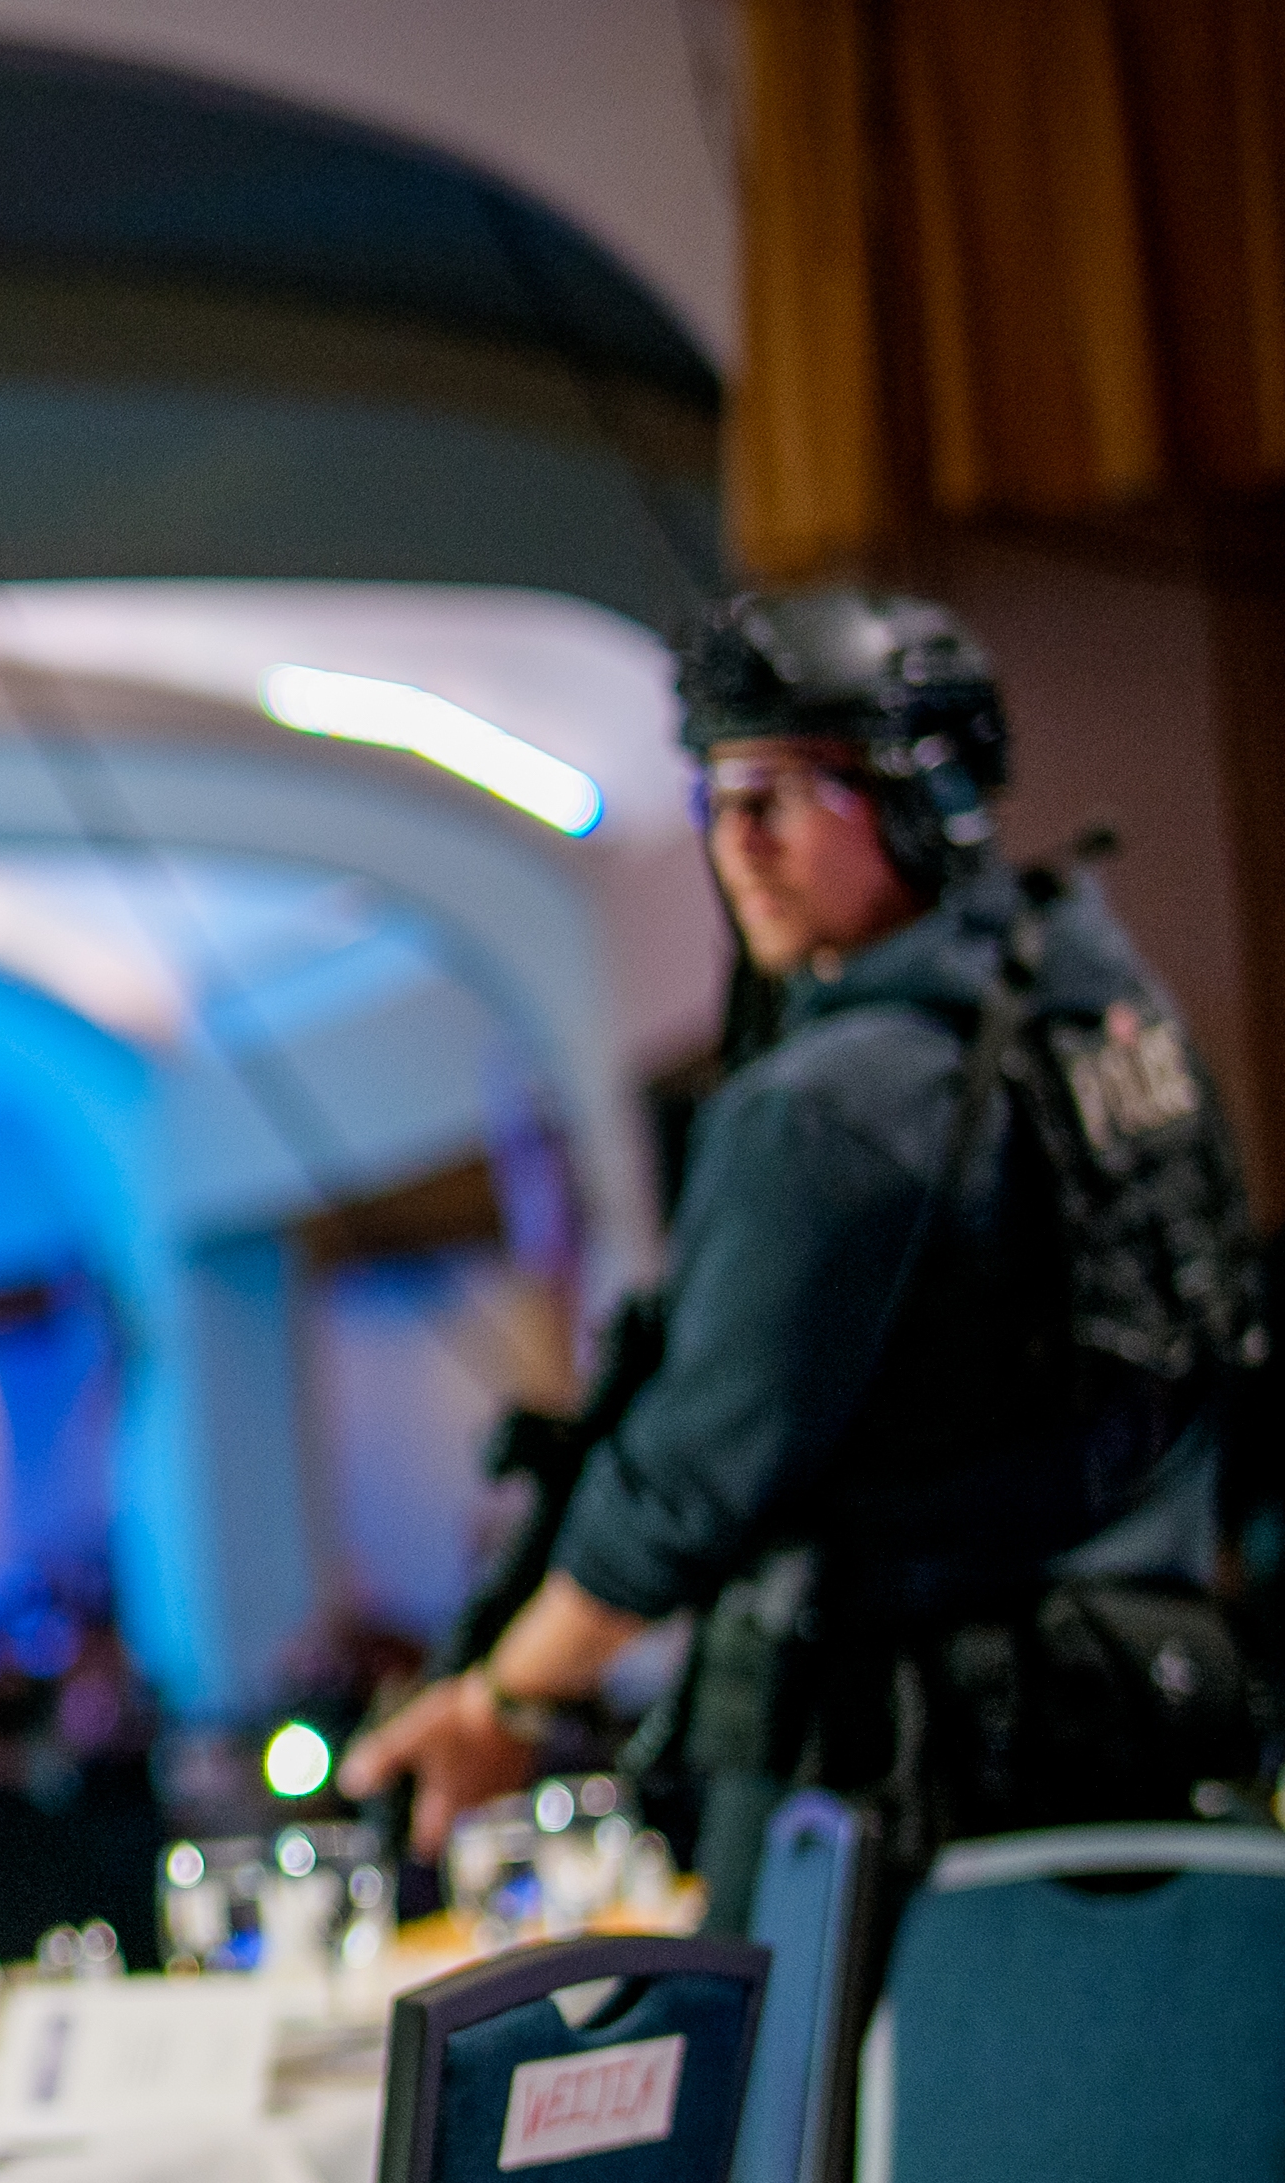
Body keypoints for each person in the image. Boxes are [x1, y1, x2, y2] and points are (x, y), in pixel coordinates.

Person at [347, 587, 1264, 1918]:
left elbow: (689, 1481)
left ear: (925, 797)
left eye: (787, 792)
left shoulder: (830, 1107)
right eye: (720, 796)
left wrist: (503, 1696)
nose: (739, 844)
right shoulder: (1113, 1021)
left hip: (907, 1807)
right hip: (1161, 1739)